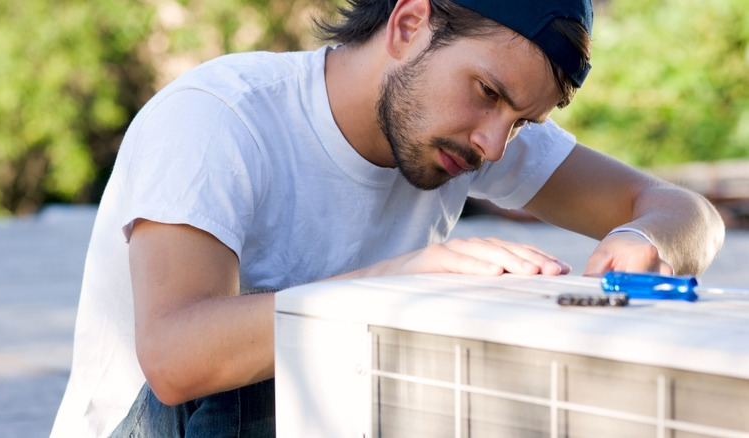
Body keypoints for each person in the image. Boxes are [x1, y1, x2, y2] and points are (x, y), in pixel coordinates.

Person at [51, 0, 725, 436]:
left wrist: (641, 238)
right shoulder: (219, 118)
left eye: (522, 122)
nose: (494, 143)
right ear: (409, 25)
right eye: (487, 93)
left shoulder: (470, 136)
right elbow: (175, 359)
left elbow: (686, 214)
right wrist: (402, 283)